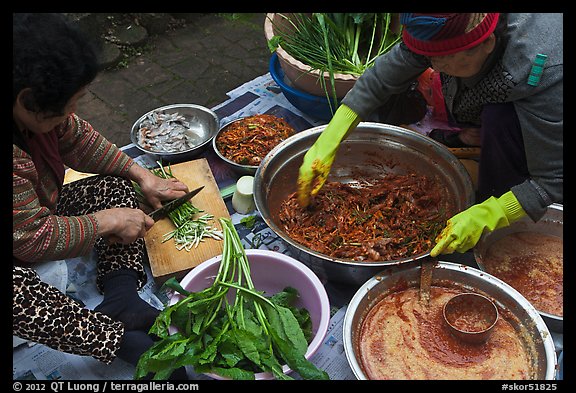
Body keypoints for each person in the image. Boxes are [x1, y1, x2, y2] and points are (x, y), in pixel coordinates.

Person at [297, 13, 562, 256]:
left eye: (445, 57)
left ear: (488, 42)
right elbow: (382, 78)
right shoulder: (449, 25)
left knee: (501, 122)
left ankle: (496, 216)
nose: (434, 65)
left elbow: (553, 180)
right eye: (430, 56)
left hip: (548, 102)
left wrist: (494, 212)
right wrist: (329, 140)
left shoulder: (544, 69)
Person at [13, 13, 189, 379]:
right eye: (70, 103)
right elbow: (32, 239)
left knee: (118, 189)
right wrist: (105, 222)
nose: (73, 112)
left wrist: (143, 176)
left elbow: (78, 140)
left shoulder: (32, 111)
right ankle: (117, 339)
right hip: (22, 241)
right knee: (19, 298)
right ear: (28, 101)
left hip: (28, 214)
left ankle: (122, 297)